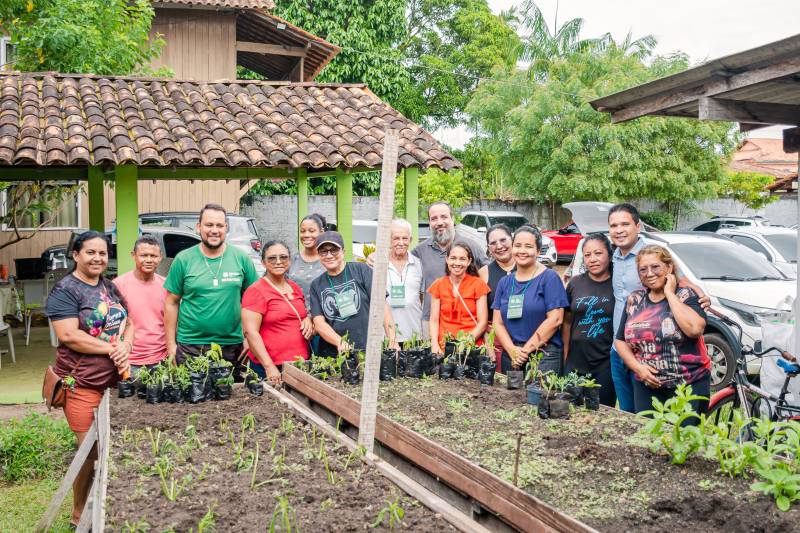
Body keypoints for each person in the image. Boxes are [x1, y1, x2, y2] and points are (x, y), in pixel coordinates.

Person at [47, 230, 133, 527]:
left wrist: (125, 346)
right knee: (90, 451)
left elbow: (129, 321)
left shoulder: (109, 287)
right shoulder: (65, 290)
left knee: (110, 449)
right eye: (90, 252)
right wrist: (113, 349)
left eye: (102, 253)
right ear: (75, 255)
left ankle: (105, 508)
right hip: (82, 384)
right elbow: (69, 335)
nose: (97, 258)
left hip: (113, 384)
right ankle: (78, 516)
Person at [608, 203, 710, 412]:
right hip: (624, 348)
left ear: (638, 226)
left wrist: (698, 295)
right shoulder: (613, 256)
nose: (619, 230)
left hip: (675, 365)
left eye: (625, 224)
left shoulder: (654, 253)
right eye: (614, 225)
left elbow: (682, 282)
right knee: (630, 415)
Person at [164, 203, 259, 374]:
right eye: (209, 225)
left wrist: (250, 337)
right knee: (193, 396)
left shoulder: (241, 259)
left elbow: (254, 302)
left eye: (219, 225)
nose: (214, 230)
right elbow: (171, 303)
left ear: (226, 228)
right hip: (191, 346)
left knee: (233, 398)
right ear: (199, 227)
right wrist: (171, 345)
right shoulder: (183, 259)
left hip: (233, 346)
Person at [492, 226, 568, 375]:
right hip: (512, 354)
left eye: (528, 246)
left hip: (544, 355)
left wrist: (525, 351)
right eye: (518, 245)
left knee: (538, 398)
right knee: (510, 398)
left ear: (538, 251)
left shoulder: (549, 278)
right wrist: (512, 350)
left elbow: (556, 319)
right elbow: (497, 322)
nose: (522, 251)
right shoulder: (505, 282)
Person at [309, 231, 398, 356]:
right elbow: (319, 323)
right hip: (333, 353)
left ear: (343, 252)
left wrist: (392, 339)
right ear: (318, 255)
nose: (329, 255)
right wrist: (339, 342)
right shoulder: (316, 285)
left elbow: (381, 306)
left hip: (367, 347)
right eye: (324, 251)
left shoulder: (361, 270)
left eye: (334, 250)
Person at [411, 202, 488, 338]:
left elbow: (487, 274)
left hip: (465, 322)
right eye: (434, 218)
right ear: (429, 223)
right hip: (431, 321)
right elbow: (399, 261)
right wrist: (373, 256)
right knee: (434, 357)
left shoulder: (471, 245)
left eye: (444, 217)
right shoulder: (420, 251)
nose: (439, 222)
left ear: (452, 219)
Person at [242, 240, 313, 386]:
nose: (278, 262)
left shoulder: (294, 287)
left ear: (290, 260)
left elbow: (300, 314)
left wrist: (308, 319)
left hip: (299, 365)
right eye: (272, 258)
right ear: (263, 262)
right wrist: (269, 366)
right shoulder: (256, 291)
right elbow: (250, 332)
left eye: (283, 257)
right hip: (271, 367)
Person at [562, 233, 616, 407]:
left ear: (609, 254)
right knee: (570, 409)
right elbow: (567, 321)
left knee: (602, 410)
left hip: (605, 363)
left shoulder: (618, 285)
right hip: (576, 361)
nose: (592, 259)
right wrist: (565, 355)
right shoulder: (575, 283)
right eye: (587, 255)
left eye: (598, 253)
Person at [113, 235, 167, 377]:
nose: (149, 260)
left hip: (162, 360)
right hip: (130, 361)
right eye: (144, 255)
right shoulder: (118, 285)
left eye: (153, 256)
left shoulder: (167, 285)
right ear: (133, 255)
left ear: (160, 257)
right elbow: (111, 326)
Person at [428, 242, 490, 354]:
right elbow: (434, 320)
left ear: (469, 261)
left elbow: (483, 322)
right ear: (447, 260)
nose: (457, 263)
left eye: (462, 259)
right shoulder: (438, 285)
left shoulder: (478, 284)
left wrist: (464, 344)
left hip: (471, 348)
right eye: (453, 258)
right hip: (444, 348)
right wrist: (434, 344)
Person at [386, 219, 424, 342]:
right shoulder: (377, 264)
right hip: (386, 337)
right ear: (389, 240)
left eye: (405, 238)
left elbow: (421, 297)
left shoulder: (418, 264)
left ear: (411, 240)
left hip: (414, 335)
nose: (401, 243)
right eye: (396, 238)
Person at [288, 213, 327, 303]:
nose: (306, 235)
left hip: (323, 315)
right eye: (302, 231)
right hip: (296, 314)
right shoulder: (291, 260)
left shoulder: (329, 260)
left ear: (321, 232)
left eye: (311, 231)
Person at [479, 224, 515, 311]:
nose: (499, 246)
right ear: (489, 248)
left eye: (503, 240)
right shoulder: (483, 273)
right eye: (493, 243)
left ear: (512, 240)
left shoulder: (528, 267)